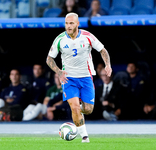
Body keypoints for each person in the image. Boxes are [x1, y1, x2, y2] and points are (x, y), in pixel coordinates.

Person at [46, 12, 112, 142]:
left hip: (86, 77)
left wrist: (108, 65)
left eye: (71, 23)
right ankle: (85, 137)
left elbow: (103, 50)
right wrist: (59, 72)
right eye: (66, 23)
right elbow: (49, 59)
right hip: (69, 79)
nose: (68, 26)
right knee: (75, 107)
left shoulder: (87, 36)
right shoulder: (60, 39)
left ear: (77, 23)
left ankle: (77, 113)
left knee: (88, 109)